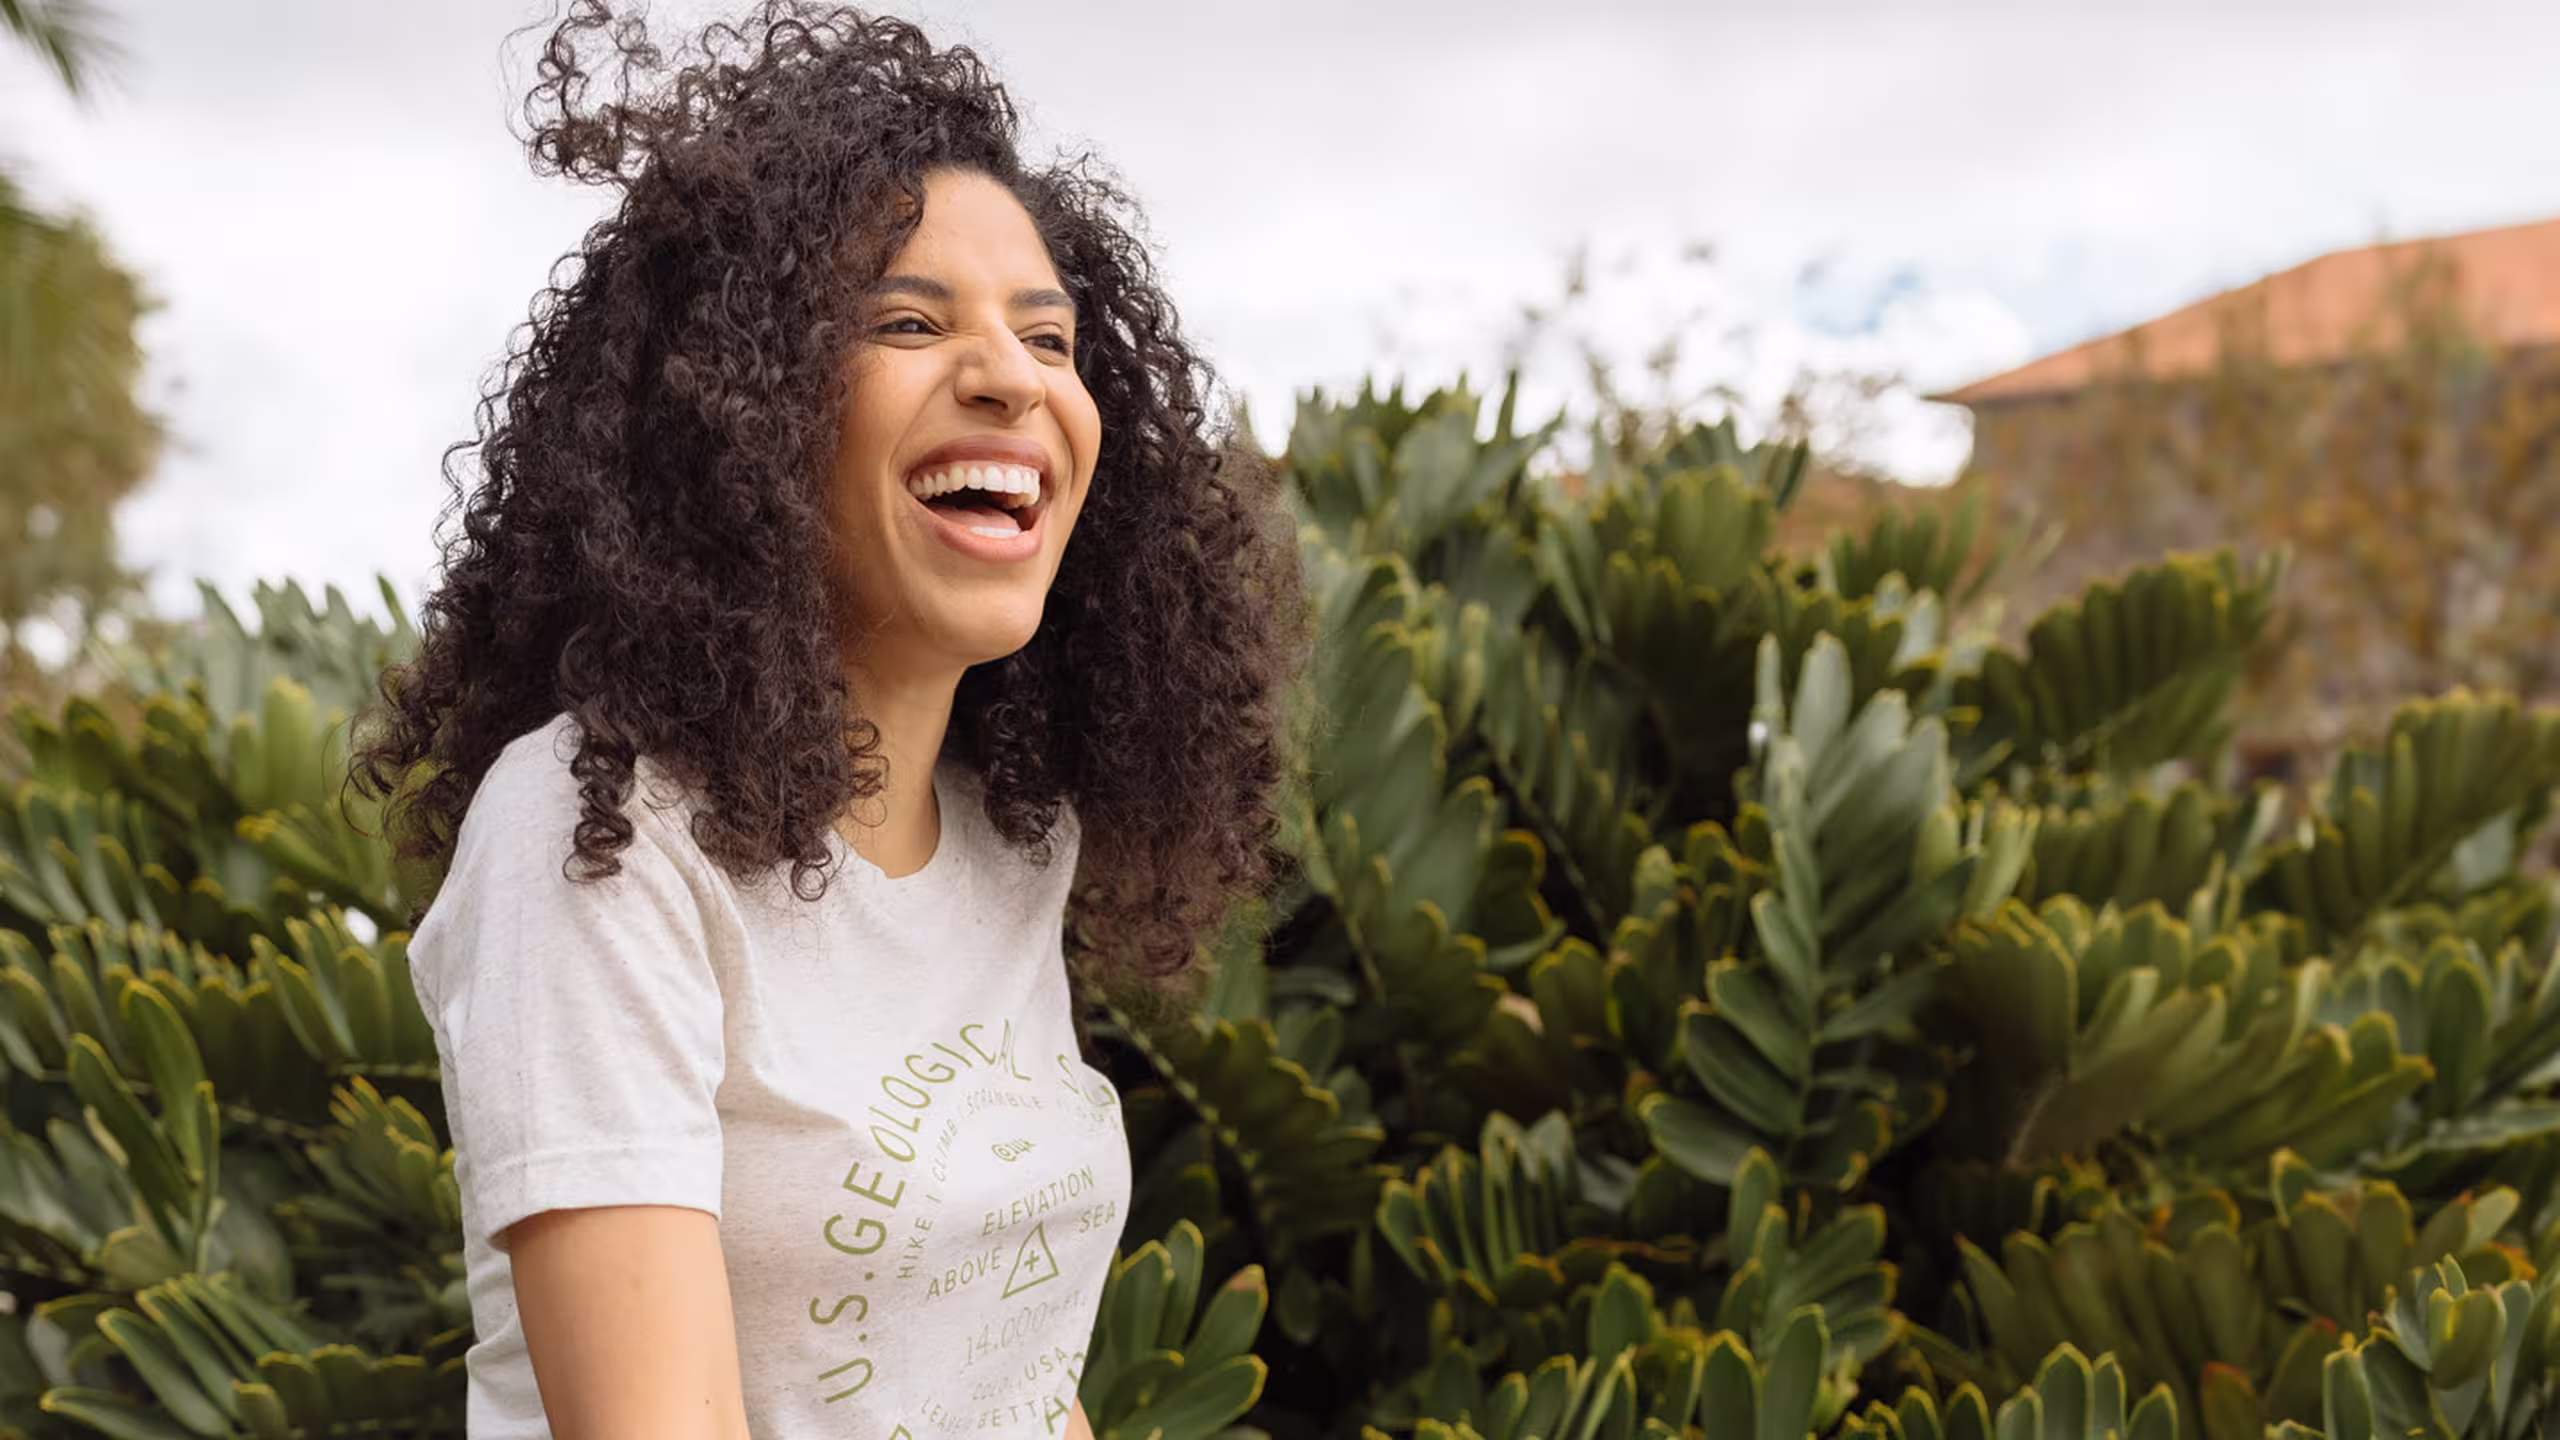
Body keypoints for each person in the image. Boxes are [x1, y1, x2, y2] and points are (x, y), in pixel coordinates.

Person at [347, 3, 1297, 1434]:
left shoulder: (1006, 846)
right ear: (737, 410)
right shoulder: (600, 834)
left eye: (1050, 338)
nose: (1012, 377)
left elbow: (1010, 1378)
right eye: (908, 323)